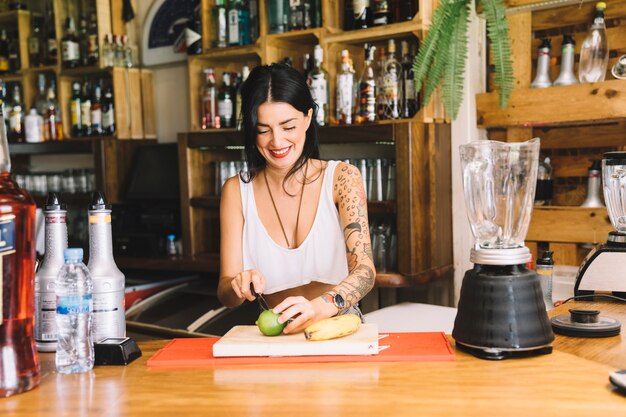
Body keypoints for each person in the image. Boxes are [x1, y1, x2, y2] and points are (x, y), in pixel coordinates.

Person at [218, 63, 375, 335]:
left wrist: (320, 307)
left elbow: (365, 271)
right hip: (274, 331)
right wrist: (238, 285)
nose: (277, 141)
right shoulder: (235, 191)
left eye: (288, 126)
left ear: (308, 118)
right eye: (263, 129)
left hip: (336, 324)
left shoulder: (343, 178)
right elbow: (225, 293)